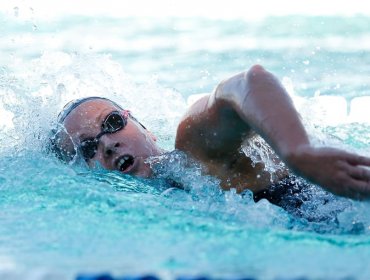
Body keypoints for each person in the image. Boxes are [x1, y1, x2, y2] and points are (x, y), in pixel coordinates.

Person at [50, 65, 370, 204]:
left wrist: (298, 151)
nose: (106, 144)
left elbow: (249, 82)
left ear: (143, 127)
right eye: (88, 149)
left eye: (111, 123)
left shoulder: (193, 148)